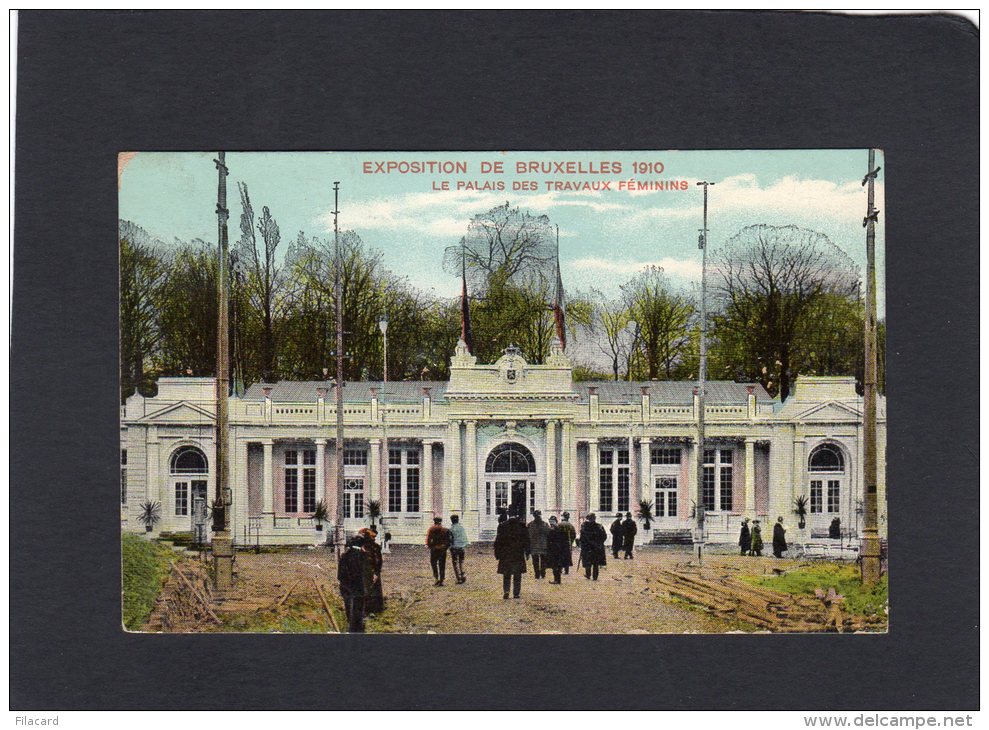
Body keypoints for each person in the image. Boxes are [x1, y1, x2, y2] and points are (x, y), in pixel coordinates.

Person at [337, 534, 370, 633]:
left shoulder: (344, 556)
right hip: (359, 587)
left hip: (346, 587)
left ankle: (350, 628)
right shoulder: (363, 556)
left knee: (349, 608)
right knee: (358, 610)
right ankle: (358, 630)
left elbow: (339, 575)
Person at [495, 512, 530, 599]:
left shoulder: (502, 526)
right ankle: (516, 593)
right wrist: (527, 552)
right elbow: (527, 540)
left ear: (508, 515)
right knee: (517, 574)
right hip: (518, 553)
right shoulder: (522, 526)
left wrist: (497, 554)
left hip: (506, 554)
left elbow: (498, 541)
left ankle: (506, 590)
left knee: (506, 573)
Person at [359, 527, 384, 614]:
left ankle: (376, 609)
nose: (373, 539)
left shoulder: (376, 547)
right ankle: (366, 609)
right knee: (366, 591)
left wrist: (377, 572)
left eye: (374, 537)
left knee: (375, 591)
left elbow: (379, 560)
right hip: (365, 572)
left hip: (374, 571)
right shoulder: (362, 548)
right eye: (372, 537)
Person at [580, 513, 608, 580]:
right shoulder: (599, 526)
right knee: (596, 563)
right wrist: (599, 543)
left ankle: (588, 575)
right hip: (597, 548)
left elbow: (582, 538)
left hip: (588, 548)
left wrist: (583, 544)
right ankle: (595, 576)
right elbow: (604, 536)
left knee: (588, 562)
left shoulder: (584, 527)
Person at [425, 516, 452, 586]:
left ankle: (436, 578)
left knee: (433, 564)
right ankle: (442, 580)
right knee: (442, 564)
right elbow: (449, 541)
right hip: (442, 549)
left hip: (434, 549)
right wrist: (445, 547)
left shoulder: (431, 529)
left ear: (434, 522)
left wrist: (431, 547)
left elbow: (428, 539)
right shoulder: (445, 530)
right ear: (441, 522)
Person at [546, 515, 572, 584]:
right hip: (558, 550)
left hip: (556, 550)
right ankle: (557, 579)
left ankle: (557, 580)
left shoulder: (553, 529)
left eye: (552, 521)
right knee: (557, 565)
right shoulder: (556, 528)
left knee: (555, 565)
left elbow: (550, 540)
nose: (551, 523)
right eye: (550, 521)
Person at [527, 510, 550, 579]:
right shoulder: (545, 524)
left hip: (534, 546)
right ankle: (543, 573)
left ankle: (537, 573)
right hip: (543, 545)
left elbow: (528, 536)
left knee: (535, 561)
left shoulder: (530, 525)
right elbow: (548, 535)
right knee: (543, 561)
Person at [449, 514, 469, 584]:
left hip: (454, 547)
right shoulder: (461, 528)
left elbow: (450, 539)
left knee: (455, 563)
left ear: (451, 521)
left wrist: (450, 546)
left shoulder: (451, 529)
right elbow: (465, 538)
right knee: (461, 562)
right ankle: (463, 575)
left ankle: (459, 578)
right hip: (462, 547)